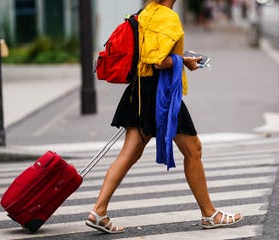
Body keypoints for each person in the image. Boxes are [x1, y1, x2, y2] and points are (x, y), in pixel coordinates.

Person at [85, 0, 243, 234]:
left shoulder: (146, 13)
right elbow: (158, 61)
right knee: (193, 150)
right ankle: (209, 214)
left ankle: (98, 211)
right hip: (162, 94)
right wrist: (184, 61)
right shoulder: (168, 17)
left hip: (140, 90)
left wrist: (180, 60)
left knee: (129, 153)